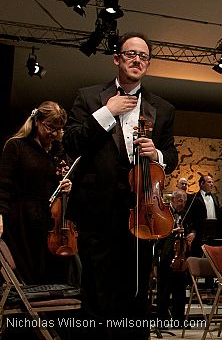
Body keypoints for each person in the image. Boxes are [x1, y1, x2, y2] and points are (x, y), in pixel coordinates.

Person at [63, 32, 178, 340]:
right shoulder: (89, 97)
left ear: (148, 64)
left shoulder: (162, 108)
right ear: (117, 59)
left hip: (142, 214)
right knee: (97, 293)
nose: (137, 60)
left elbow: (172, 154)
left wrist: (158, 154)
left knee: (135, 293)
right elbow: (71, 142)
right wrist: (107, 112)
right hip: (97, 212)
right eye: (130, 54)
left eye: (143, 56)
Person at [0, 101, 74, 285]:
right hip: (21, 219)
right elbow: (3, 185)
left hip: (48, 220)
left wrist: (68, 185)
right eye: (50, 127)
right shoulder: (16, 146)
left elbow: (59, 181)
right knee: (27, 274)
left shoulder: (58, 150)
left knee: (49, 273)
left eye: (59, 129)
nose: (54, 133)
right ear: (37, 121)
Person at [156, 189, 190, 325]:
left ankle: (179, 320)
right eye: (180, 201)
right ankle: (162, 321)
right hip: (165, 255)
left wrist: (192, 233)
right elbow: (158, 234)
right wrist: (172, 231)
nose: (183, 204)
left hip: (180, 257)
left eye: (185, 201)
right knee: (164, 290)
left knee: (180, 290)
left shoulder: (186, 214)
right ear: (172, 200)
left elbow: (191, 227)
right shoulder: (163, 213)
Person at [186, 174, 222, 257]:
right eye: (209, 182)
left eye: (212, 182)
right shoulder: (193, 198)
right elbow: (189, 216)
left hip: (214, 231)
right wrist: (192, 231)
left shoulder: (215, 197)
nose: (212, 184)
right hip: (199, 232)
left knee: (213, 256)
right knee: (199, 256)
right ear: (201, 183)